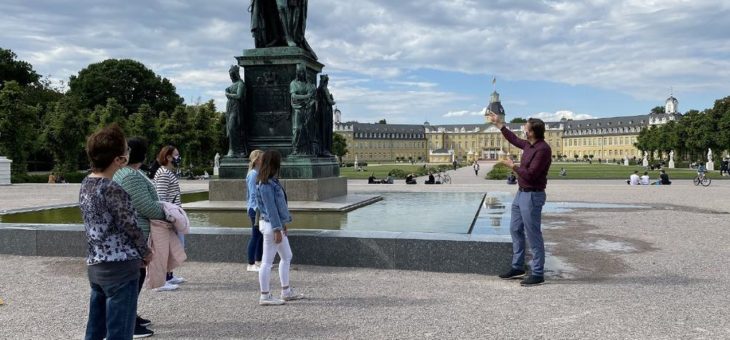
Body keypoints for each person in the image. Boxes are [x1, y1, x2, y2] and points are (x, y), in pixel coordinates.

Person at [79, 124, 152, 339]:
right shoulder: (112, 188)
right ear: (119, 160)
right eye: (126, 150)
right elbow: (130, 225)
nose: (129, 153)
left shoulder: (86, 183)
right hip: (120, 265)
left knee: (95, 327)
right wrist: (145, 252)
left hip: (96, 263)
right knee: (119, 331)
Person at [488, 112, 551, 287]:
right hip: (521, 193)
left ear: (531, 132)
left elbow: (531, 175)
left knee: (533, 234)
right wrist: (499, 125)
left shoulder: (543, 149)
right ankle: (518, 267)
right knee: (515, 229)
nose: (523, 129)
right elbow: (514, 139)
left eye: (526, 127)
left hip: (532, 194)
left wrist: (513, 166)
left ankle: (538, 273)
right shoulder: (529, 145)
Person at [112, 137, 165, 337]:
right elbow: (146, 206)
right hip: (135, 235)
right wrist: (167, 213)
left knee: (135, 279)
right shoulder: (131, 176)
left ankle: (131, 315)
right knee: (134, 279)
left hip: (131, 235)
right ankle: (128, 322)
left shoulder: (129, 173)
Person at [255, 150, 305, 305]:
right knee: (267, 262)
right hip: (271, 226)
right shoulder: (265, 185)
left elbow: (276, 207)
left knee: (286, 256)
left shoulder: (271, 182)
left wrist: (282, 225)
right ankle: (265, 295)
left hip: (274, 225)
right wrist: (277, 229)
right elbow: (270, 209)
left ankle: (286, 291)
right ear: (274, 164)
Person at [154, 145, 185, 288]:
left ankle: (169, 275)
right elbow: (161, 198)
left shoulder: (168, 172)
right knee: (167, 248)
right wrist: (168, 217)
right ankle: (163, 279)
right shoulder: (164, 173)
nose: (178, 158)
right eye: (176, 155)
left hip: (174, 215)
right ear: (168, 157)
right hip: (169, 217)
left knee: (174, 246)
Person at [246, 150, 265, 272]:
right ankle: (251, 264)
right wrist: (257, 208)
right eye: (262, 158)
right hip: (255, 209)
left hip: (257, 209)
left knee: (260, 236)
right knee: (255, 236)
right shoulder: (253, 174)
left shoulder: (257, 173)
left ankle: (258, 260)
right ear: (257, 160)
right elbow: (253, 194)